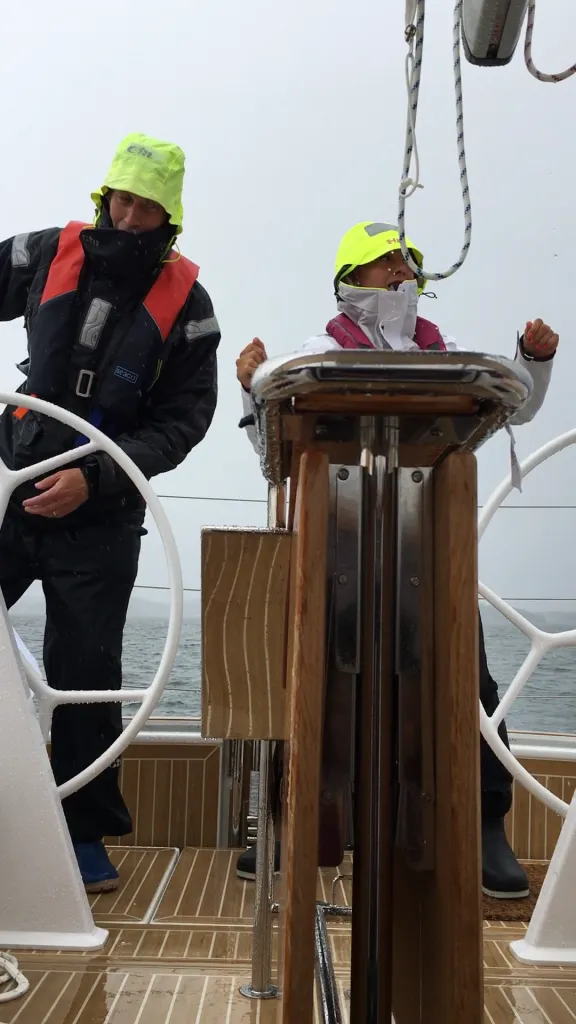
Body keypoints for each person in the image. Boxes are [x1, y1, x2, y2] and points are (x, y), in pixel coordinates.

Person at [235, 221, 559, 899]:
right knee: (310, 681)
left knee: (472, 687)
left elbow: (514, 411)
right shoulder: (316, 350)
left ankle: (483, 824)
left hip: (427, 550)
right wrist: (248, 386)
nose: (401, 271)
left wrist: (531, 365)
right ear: (353, 275)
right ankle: (289, 820)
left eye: (408, 262)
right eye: (386, 262)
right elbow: (273, 420)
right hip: (337, 549)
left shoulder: (450, 357)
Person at [0, 132, 219, 893]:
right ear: (105, 197)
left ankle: (82, 835)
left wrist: (95, 480)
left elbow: (186, 421)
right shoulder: (40, 252)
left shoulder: (189, 305)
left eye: (146, 205)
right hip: (12, 486)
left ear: (169, 215)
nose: (129, 216)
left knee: (86, 671)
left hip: (101, 513)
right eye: (121, 199)